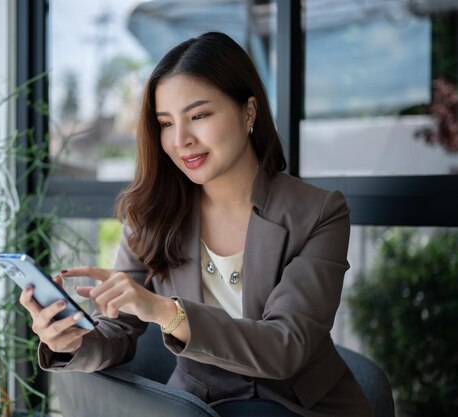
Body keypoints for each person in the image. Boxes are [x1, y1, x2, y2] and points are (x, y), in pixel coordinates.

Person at [20, 32, 373, 417]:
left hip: (299, 405)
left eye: (199, 116)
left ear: (248, 112)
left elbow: (285, 346)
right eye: (166, 123)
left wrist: (167, 311)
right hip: (201, 405)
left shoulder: (320, 212)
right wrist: (69, 339)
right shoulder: (151, 214)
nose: (181, 139)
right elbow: (117, 333)